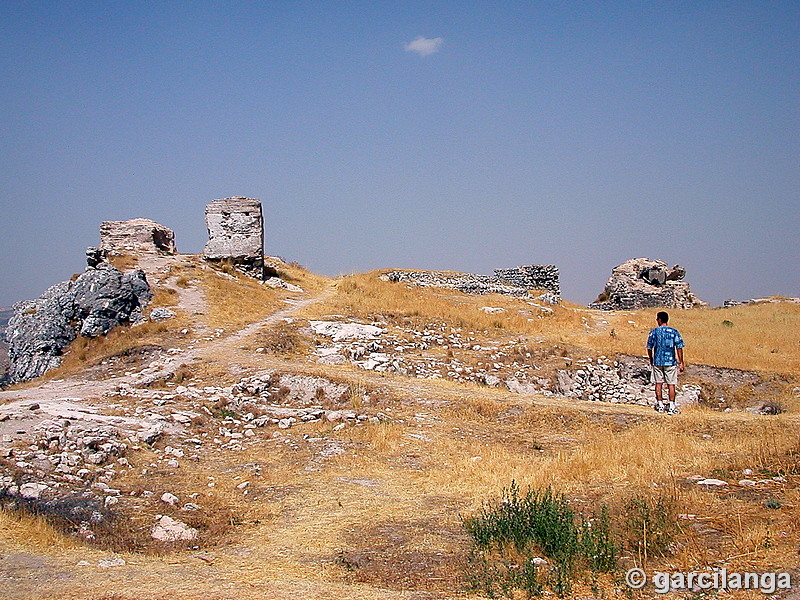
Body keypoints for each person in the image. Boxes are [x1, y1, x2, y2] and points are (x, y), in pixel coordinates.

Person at [646, 311, 685, 414]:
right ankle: (671, 407)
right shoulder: (674, 332)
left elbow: (649, 347)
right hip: (670, 362)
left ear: (659, 319)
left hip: (657, 361)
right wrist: (681, 362)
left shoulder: (654, 332)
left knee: (658, 383)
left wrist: (651, 359)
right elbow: (679, 347)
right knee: (671, 384)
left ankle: (660, 405)